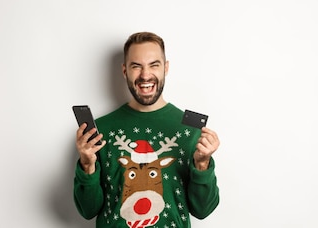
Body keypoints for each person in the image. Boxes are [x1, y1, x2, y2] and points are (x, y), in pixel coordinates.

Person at [73, 31, 220, 228]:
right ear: (125, 71)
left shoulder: (190, 130)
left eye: (154, 65)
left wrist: (202, 165)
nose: (145, 75)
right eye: (136, 66)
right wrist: (87, 165)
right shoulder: (99, 131)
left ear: (165, 68)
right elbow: (88, 210)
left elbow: (203, 210)